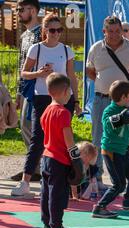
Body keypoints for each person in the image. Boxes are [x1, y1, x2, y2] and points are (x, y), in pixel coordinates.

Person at [11, 13, 79, 197]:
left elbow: (72, 77)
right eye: (52, 30)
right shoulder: (36, 49)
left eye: (59, 30)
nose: (56, 33)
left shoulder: (66, 50)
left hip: (65, 99)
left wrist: (77, 101)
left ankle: (61, 181)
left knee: (63, 140)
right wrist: (39, 73)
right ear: (44, 31)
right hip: (42, 97)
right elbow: (24, 73)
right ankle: (25, 182)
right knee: (38, 139)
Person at [86, 16, 129, 185]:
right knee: (98, 137)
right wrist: (101, 81)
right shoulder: (96, 48)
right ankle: (96, 175)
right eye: (110, 31)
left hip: (125, 102)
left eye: (117, 31)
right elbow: (90, 71)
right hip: (101, 99)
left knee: (128, 137)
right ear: (104, 31)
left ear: (122, 31)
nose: (114, 34)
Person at [91, 80, 129, 218]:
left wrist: (128, 142)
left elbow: (122, 131)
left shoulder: (124, 110)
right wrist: (124, 117)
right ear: (123, 97)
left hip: (123, 151)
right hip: (111, 152)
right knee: (119, 184)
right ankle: (100, 207)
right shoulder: (109, 111)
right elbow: (110, 125)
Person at [40, 72, 82, 228]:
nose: (71, 95)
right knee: (57, 194)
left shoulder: (46, 111)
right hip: (59, 159)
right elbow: (68, 140)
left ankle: (46, 224)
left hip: (46, 157)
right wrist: (76, 160)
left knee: (46, 192)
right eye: (70, 91)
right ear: (65, 91)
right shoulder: (63, 113)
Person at [11, 0, 42, 182]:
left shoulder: (42, 33)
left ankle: (36, 168)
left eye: (21, 10)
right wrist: (18, 92)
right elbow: (21, 65)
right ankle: (34, 168)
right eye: (17, 10)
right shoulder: (24, 35)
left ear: (33, 10)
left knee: (33, 128)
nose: (18, 13)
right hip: (27, 87)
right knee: (25, 126)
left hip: (39, 88)